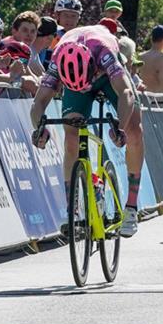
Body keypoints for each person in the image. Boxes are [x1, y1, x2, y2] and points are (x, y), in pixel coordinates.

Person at [30, 25, 144, 237]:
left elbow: (126, 92)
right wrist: (39, 128)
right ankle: (72, 211)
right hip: (74, 79)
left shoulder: (104, 53)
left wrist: (119, 127)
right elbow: (38, 103)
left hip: (106, 77)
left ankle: (131, 208)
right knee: (71, 137)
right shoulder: (57, 59)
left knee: (134, 130)